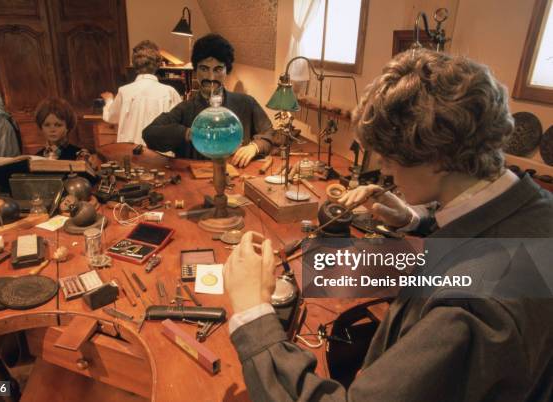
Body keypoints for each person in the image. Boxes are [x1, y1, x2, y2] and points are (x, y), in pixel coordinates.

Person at [223, 49, 553, 402]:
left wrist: (252, 315)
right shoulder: (536, 210)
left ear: (437, 160)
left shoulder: (469, 308)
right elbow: (489, 232)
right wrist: (417, 218)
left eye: (390, 162)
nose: (385, 172)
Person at [143, 34, 274, 167]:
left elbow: (269, 133)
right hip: (194, 183)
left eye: (218, 69)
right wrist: (188, 133)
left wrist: (254, 147)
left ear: (227, 70)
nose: (211, 77)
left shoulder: (246, 103)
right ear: (195, 70)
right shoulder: (185, 109)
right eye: (204, 69)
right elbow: (149, 134)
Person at [101, 40, 181, 145]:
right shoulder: (170, 92)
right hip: (159, 155)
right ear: (158, 64)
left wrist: (108, 100)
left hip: (129, 154)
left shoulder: (124, 91)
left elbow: (111, 117)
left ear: (134, 64)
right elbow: (180, 122)